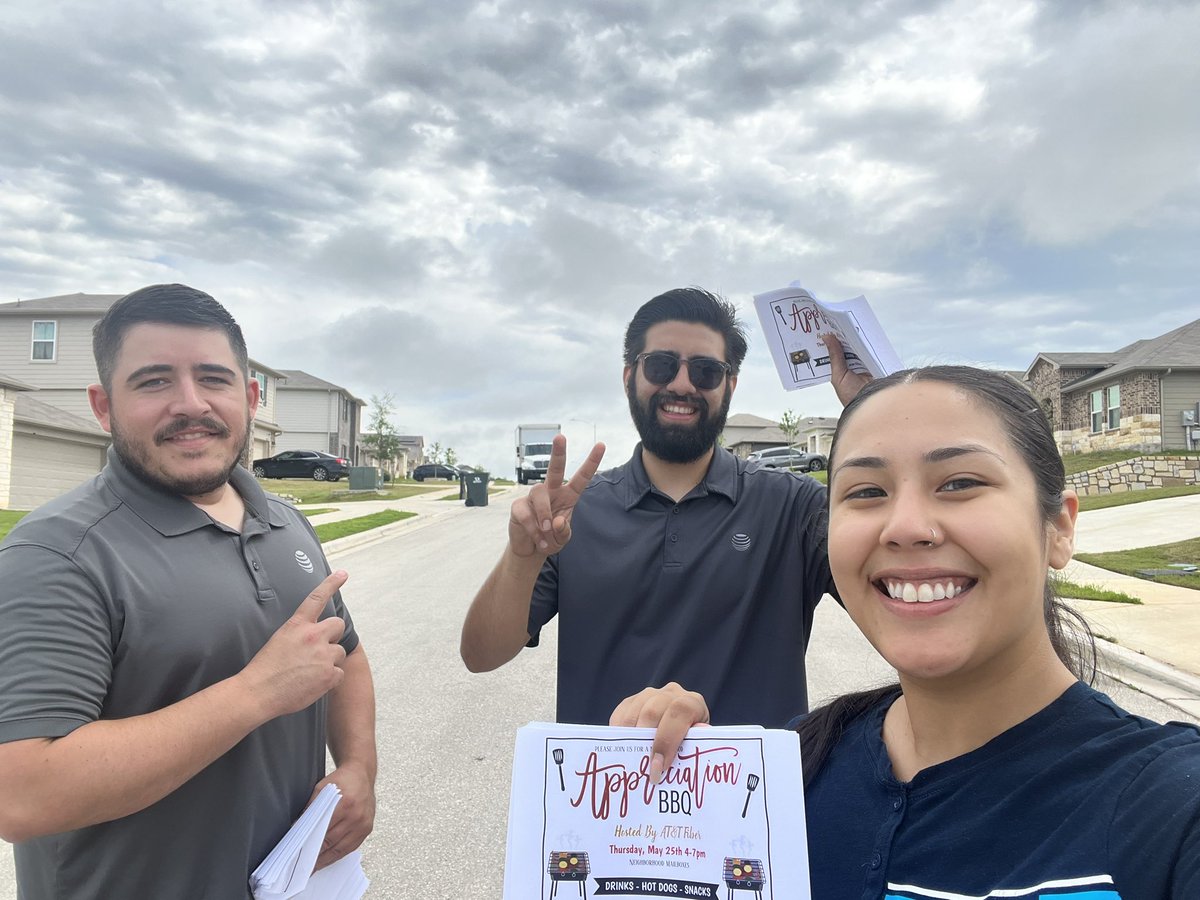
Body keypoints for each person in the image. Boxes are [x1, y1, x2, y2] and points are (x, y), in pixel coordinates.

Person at [616, 366, 1200, 898]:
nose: (907, 527)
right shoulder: (784, 776)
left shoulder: (1170, 808)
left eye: (959, 482)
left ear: (1059, 528)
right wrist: (656, 806)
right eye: (867, 491)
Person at [0, 284, 377, 900]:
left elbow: (345, 654)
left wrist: (359, 768)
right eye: (153, 382)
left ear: (250, 398)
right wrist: (255, 694)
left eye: (214, 378)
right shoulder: (59, 554)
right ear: (103, 406)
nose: (190, 403)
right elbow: (22, 792)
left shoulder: (285, 522)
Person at [460, 287, 867, 727]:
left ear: (730, 385)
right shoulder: (575, 515)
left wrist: (874, 416)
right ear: (629, 376)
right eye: (661, 365)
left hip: (750, 792)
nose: (681, 384)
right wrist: (523, 558)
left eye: (706, 371)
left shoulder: (792, 506)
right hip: (607, 789)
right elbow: (481, 655)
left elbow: (899, 596)